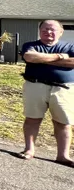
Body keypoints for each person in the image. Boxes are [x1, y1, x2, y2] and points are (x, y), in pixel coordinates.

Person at [18, 20, 74, 165]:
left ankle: (63, 156)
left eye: (52, 29)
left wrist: (42, 60)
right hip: (35, 86)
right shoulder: (30, 45)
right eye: (45, 29)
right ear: (39, 30)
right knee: (32, 119)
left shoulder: (70, 46)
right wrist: (61, 57)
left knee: (63, 123)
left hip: (63, 89)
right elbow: (30, 57)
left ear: (61, 32)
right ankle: (29, 150)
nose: (48, 32)